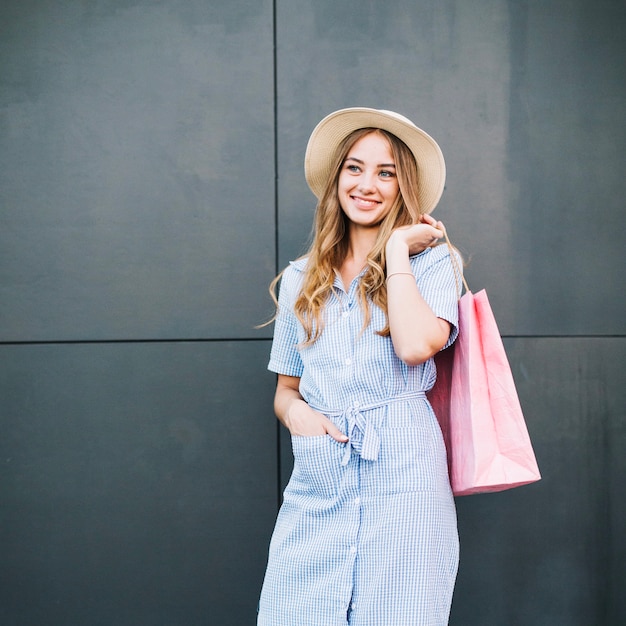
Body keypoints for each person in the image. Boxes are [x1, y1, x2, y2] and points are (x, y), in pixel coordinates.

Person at [258, 107, 462, 626]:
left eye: (385, 172)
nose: (367, 184)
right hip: (321, 479)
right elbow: (286, 390)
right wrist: (298, 417)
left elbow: (416, 346)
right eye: (354, 167)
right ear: (336, 179)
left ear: (402, 186)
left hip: (405, 479)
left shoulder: (431, 263)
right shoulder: (302, 278)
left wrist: (396, 251)